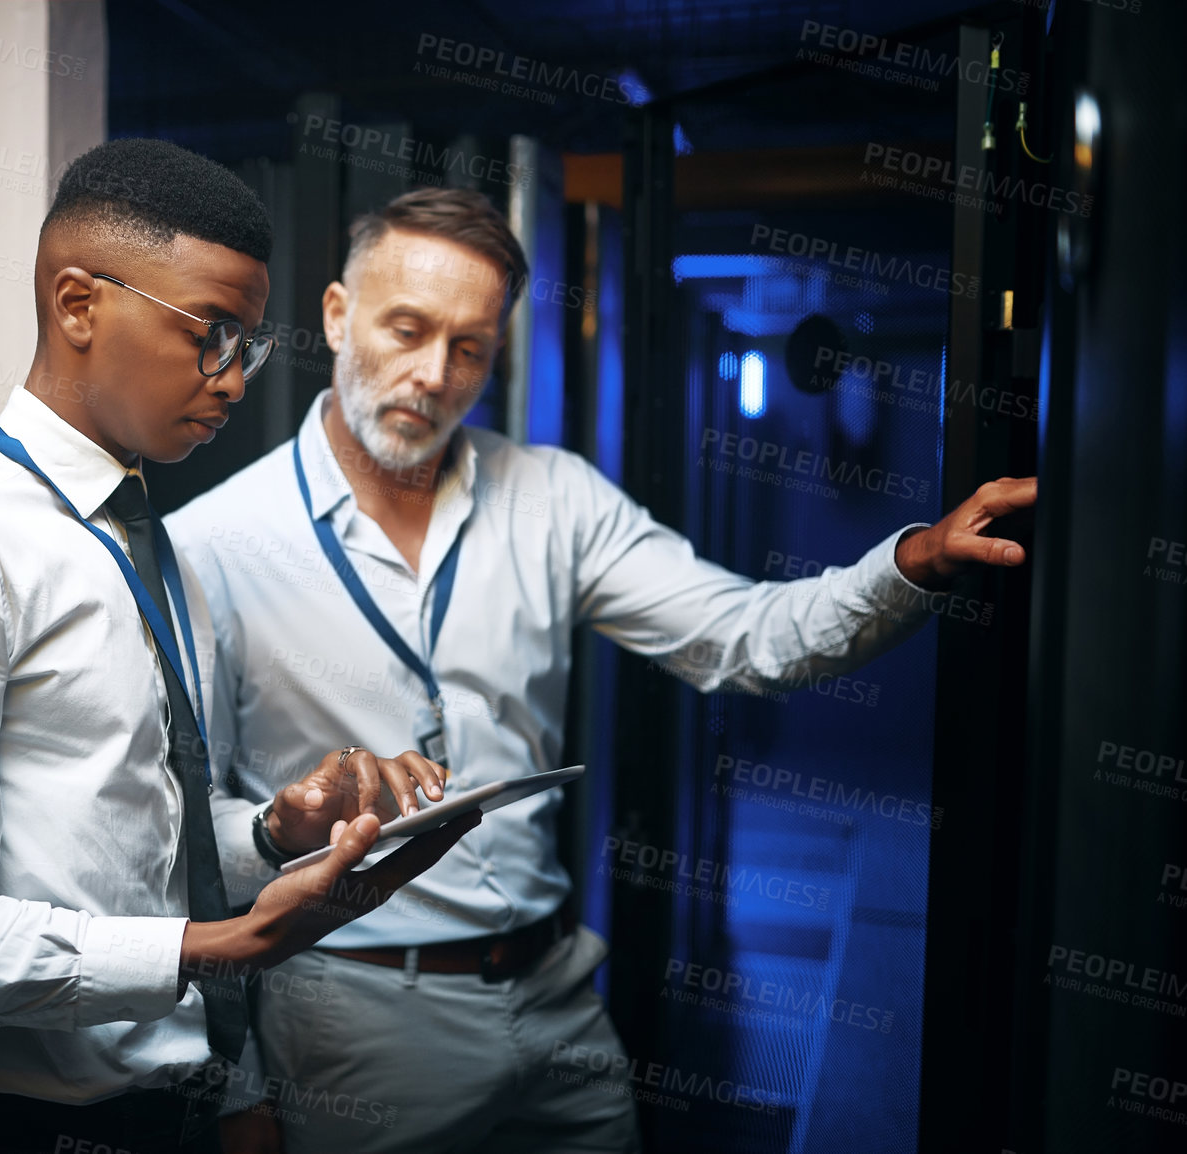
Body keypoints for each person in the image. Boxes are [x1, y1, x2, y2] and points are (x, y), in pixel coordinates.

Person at [166, 186, 1037, 1153]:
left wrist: (912, 562)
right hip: (352, 1022)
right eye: (405, 329)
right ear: (334, 315)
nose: (431, 374)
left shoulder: (555, 498)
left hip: (559, 1005)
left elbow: (745, 635)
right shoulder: (210, 546)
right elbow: (188, 847)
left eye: (469, 348)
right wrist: (233, 1083)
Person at [0, 141, 474, 1154]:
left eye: (247, 346)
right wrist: (226, 946)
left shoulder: (153, 545)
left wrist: (272, 833)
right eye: (213, 334)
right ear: (78, 305)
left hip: (174, 1114)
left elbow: (137, 824)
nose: (234, 380)